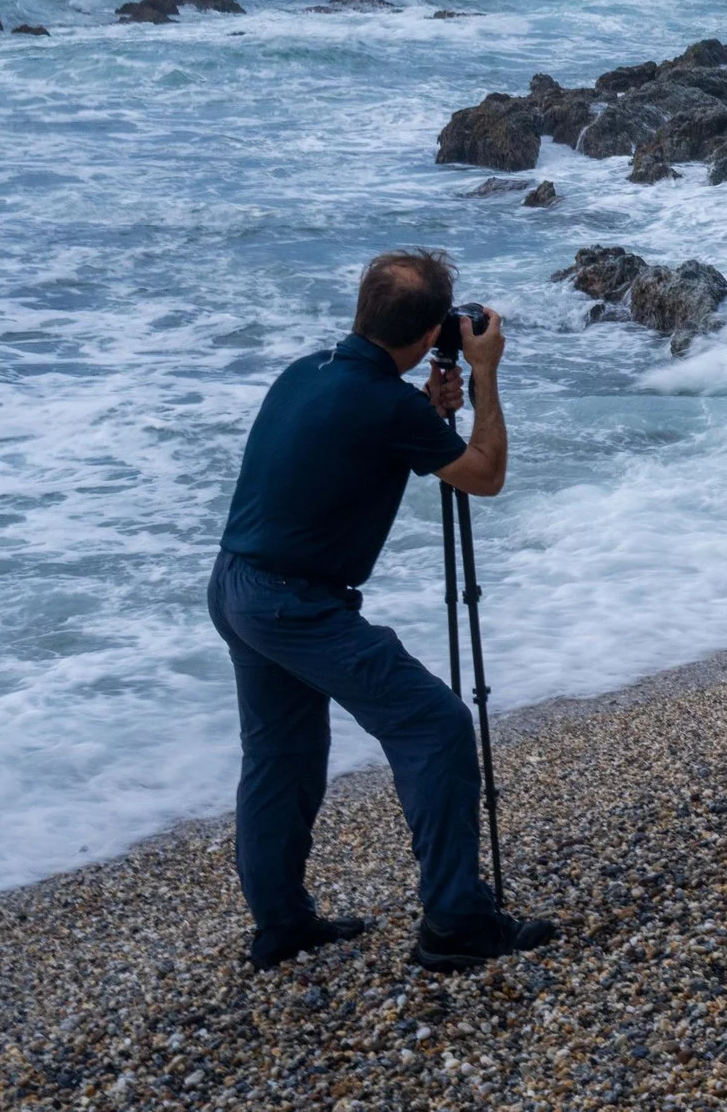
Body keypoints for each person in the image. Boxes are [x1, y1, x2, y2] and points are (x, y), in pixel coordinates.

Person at [206, 248, 558, 971]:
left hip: (236, 585)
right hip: (294, 604)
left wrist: (428, 411)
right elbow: (485, 474)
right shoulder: (385, 403)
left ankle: (281, 926)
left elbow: (366, 435)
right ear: (432, 333)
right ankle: (456, 922)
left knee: (281, 756)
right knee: (434, 723)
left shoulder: (308, 369)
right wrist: (485, 375)